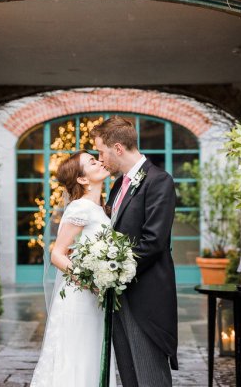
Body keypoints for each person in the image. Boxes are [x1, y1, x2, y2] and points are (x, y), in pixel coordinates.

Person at [91, 115, 178, 387]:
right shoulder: (118, 185)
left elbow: (154, 241)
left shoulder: (159, 181)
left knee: (150, 377)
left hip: (147, 297)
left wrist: (114, 270)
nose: (100, 159)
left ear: (118, 148)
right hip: (119, 297)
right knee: (129, 376)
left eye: (101, 152)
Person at [31, 151, 117, 387]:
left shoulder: (101, 208)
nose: (100, 161)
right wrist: (91, 281)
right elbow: (57, 254)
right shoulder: (80, 207)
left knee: (92, 357)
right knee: (75, 359)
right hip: (79, 297)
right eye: (92, 161)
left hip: (95, 299)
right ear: (82, 179)